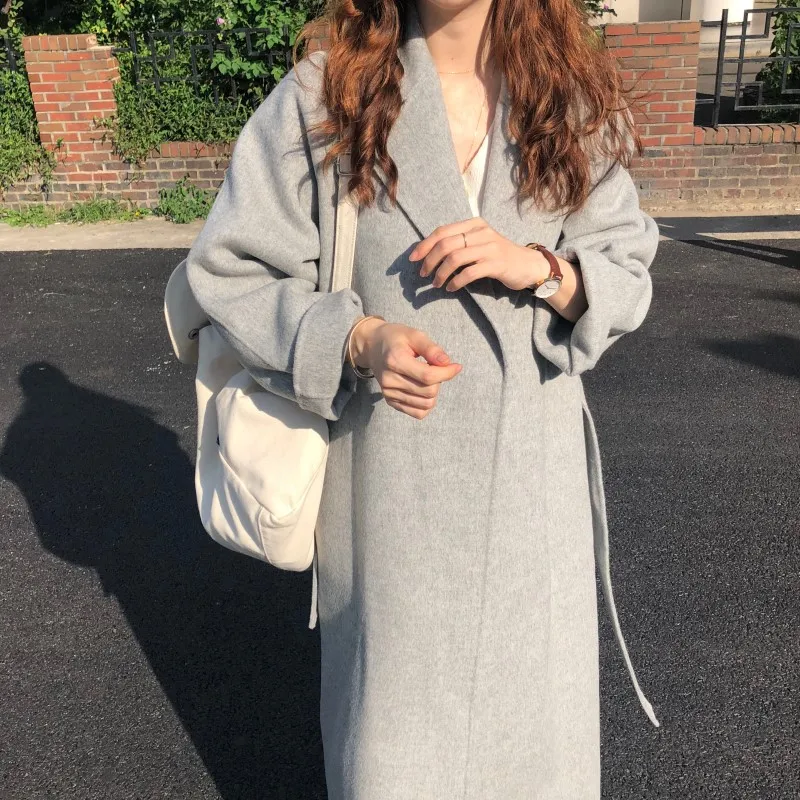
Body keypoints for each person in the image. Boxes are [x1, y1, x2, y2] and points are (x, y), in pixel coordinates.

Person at [184, 0, 661, 797]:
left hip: (534, 508)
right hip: (392, 497)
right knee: (396, 758)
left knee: (534, 757)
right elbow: (231, 272)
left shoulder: (568, 99)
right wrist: (354, 339)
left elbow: (626, 266)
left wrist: (542, 268)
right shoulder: (324, 96)